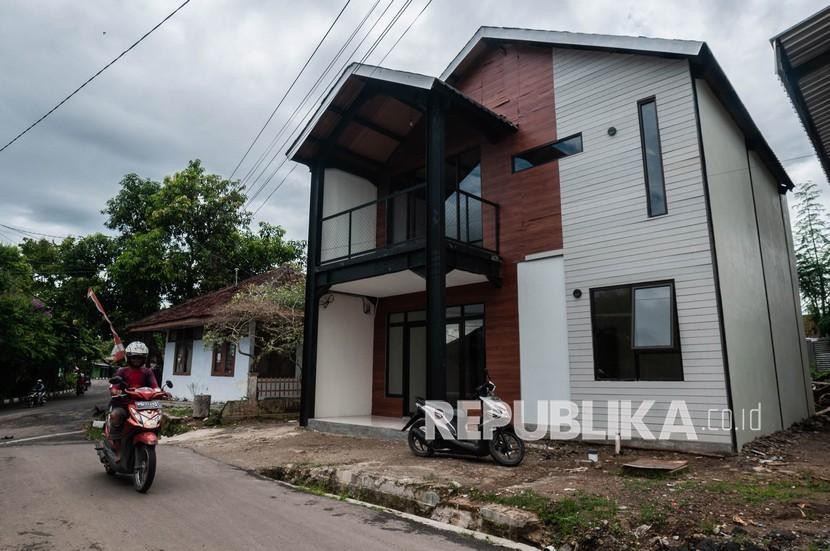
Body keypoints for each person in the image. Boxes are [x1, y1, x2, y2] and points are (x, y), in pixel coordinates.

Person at [107, 341, 159, 456]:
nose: (137, 360)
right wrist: (115, 390)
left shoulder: (147, 372)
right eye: (134, 357)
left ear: (144, 359)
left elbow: (155, 386)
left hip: (142, 405)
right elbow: (113, 386)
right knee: (116, 415)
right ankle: (116, 443)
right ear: (129, 358)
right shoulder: (122, 371)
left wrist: (161, 392)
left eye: (140, 358)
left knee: (157, 416)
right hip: (123, 403)